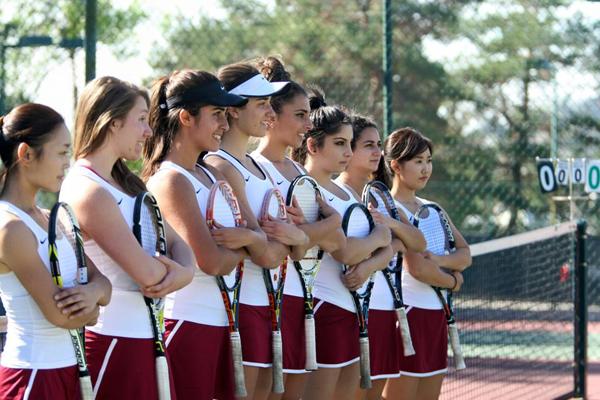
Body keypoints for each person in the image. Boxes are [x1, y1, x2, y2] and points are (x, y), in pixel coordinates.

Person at [60, 76, 196, 400]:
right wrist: (179, 273)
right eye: (140, 121)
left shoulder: (128, 182)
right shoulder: (87, 190)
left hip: (147, 340)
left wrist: (186, 271)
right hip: (114, 343)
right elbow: (147, 275)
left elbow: (181, 245)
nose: (148, 132)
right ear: (113, 123)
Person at [141, 69, 256, 400]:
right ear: (186, 117)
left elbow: (255, 242)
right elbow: (211, 261)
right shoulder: (171, 180)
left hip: (219, 322)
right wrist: (247, 246)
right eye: (216, 114)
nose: (224, 124)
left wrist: (246, 243)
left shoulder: (211, 174)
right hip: (186, 325)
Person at [205, 61, 309, 400]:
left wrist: (294, 239)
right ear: (233, 111)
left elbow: (291, 245)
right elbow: (267, 253)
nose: (269, 112)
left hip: (268, 306)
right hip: (241, 307)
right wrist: (281, 240)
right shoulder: (220, 165)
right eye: (261, 104)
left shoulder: (256, 167)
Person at [0, 103, 111, 399]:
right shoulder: (9, 228)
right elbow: (61, 317)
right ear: (26, 154)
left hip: (70, 371)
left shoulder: (52, 218)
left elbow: (105, 284)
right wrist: (95, 302)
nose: (68, 163)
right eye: (62, 152)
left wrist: (91, 295)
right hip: (31, 377)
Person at [251, 56, 346, 400]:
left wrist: (306, 233)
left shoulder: (300, 173)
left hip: (300, 302)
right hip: (265, 304)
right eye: (301, 115)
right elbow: (278, 239)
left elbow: (334, 236)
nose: (309, 124)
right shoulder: (254, 169)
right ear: (271, 116)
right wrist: (310, 233)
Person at [291, 88, 393, 400]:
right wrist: (376, 240)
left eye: (350, 144)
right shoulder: (307, 190)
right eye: (339, 144)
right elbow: (346, 250)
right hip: (324, 308)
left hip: (352, 311)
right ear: (312, 145)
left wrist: (370, 261)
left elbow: (387, 246)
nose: (347, 152)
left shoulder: (347, 194)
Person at [376, 127, 471, 400]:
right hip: (407, 315)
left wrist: (440, 260)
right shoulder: (387, 209)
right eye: (418, 161)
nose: (425, 168)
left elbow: (465, 254)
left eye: (428, 160)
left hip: (436, 316)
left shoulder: (433, 208)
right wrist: (453, 280)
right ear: (395, 165)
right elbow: (417, 269)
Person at [337, 114, 426, 400]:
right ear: (349, 150)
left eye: (378, 145)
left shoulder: (379, 196)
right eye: (368, 145)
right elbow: (345, 251)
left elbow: (417, 241)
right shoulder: (335, 193)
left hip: (384, 310)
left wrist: (390, 228)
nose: (378, 152)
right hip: (350, 310)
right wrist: (379, 252)